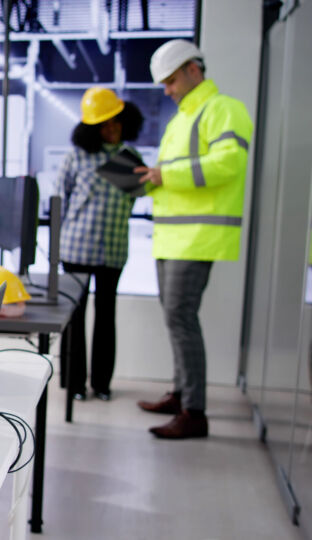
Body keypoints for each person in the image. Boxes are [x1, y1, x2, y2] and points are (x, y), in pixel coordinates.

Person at [134, 40, 253, 439]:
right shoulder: (180, 121)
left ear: (193, 70)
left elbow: (229, 163)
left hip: (197, 237)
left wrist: (166, 175)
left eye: (170, 81)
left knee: (181, 318)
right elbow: (176, 175)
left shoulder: (223, 109)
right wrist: (150, 180)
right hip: (171, 237)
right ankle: (181, 393)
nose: (167, 90)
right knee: (176, 319)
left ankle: (194, 412)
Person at [58, 87, 145, 402]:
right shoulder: (77, 157)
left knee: (106, 317)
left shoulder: (130, 159)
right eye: (103, 124)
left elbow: (137, 198)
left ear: (124, 121)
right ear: (91, 127)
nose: (111, 129)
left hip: (113, 250)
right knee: (75, 317)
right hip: (76, 248)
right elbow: (62, 199)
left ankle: (102, 384)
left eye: (115, 122)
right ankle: (74, 384)